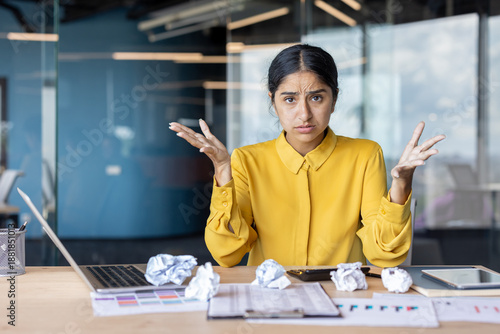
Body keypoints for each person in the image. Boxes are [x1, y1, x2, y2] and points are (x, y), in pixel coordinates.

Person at [169, 44, 445, 268]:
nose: (304, 114)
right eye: (289, 99)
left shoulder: (364, 154)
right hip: (271, 299)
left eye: (316, 98)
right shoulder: (247, 160)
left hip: (344, 298)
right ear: (273, 101)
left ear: (334, 99)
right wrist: (222, 171)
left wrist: (401, 184)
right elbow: (226, 253)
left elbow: (384, 255)